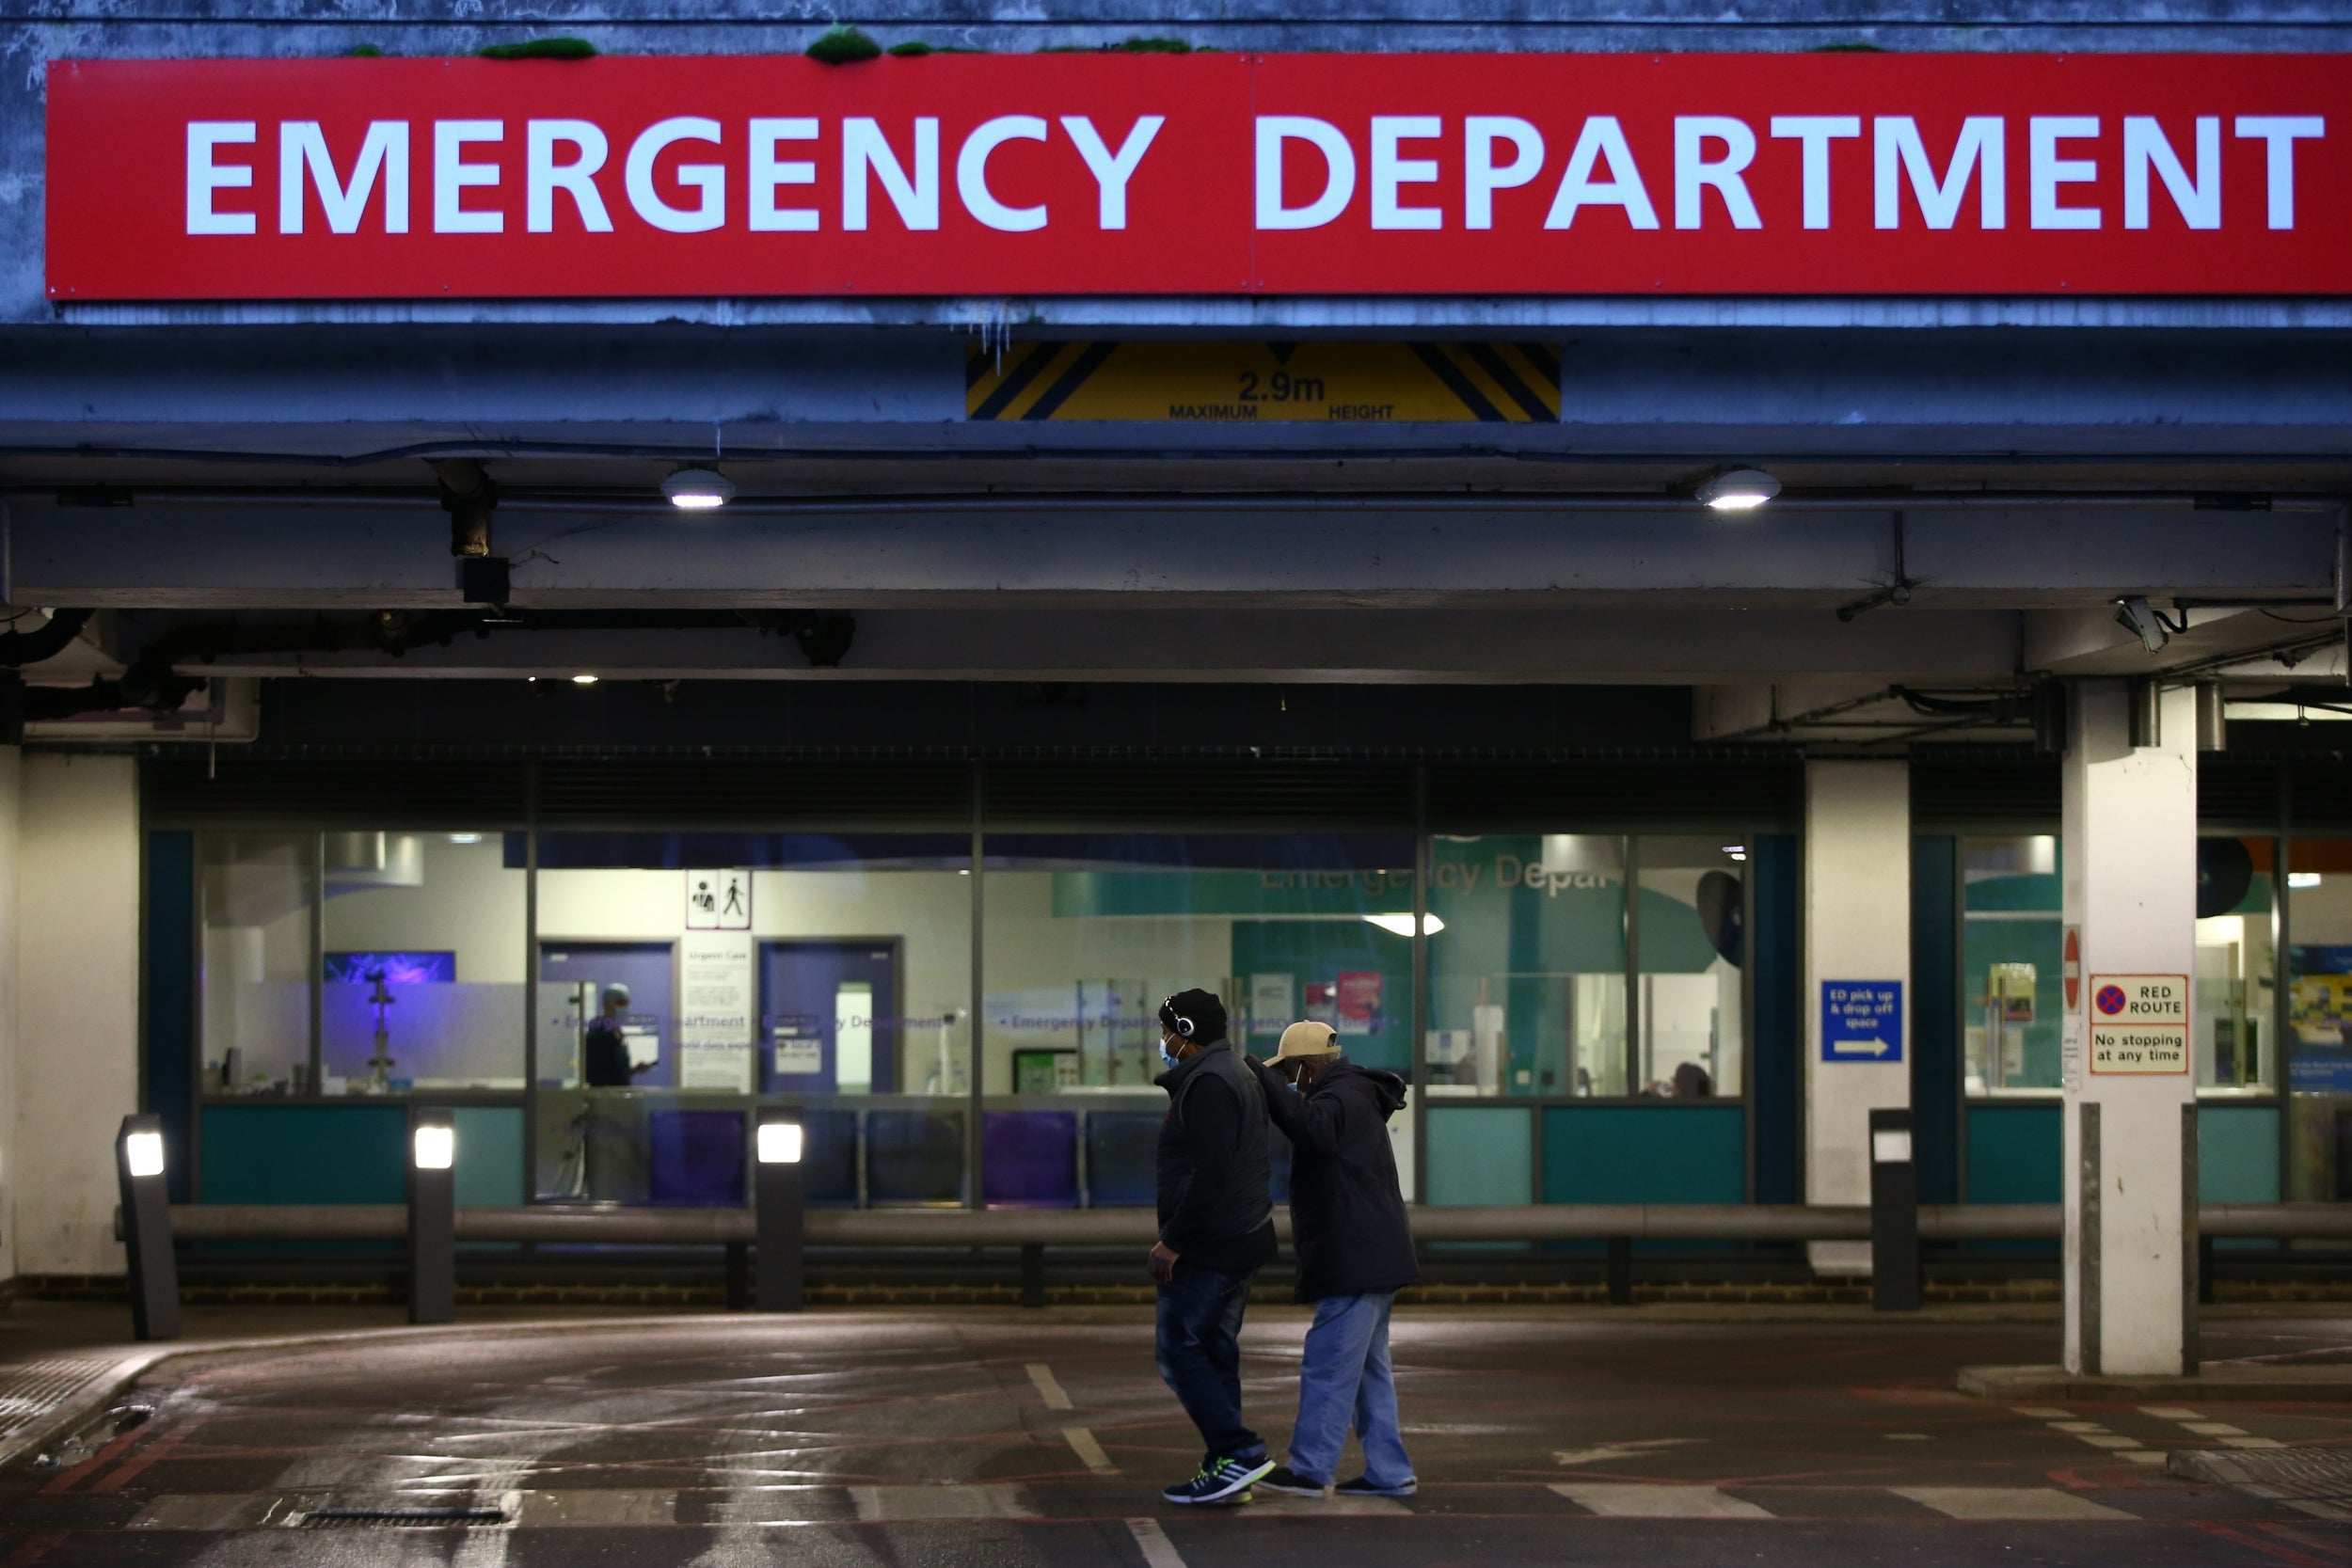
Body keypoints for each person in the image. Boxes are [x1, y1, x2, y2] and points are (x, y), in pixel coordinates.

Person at [1247, 1020, 1421, 1500]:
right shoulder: (1355, 1094)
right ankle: (1389, 1471)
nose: (1288, 1082)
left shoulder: (1338, 1098)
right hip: (1373, 1256)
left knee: (1327, 1365)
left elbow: (1311, 1130)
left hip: (1356, 1258)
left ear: (1307, 1067)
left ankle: (1310, 1467)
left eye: (1289, 1073)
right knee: (1369, 1373)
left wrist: (1260, 1078)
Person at [1150, 988, 1279, 1506]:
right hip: (1239, 1237)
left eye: (1165, 1030)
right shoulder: (1234, 1074)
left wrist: (1173, 1242)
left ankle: (1238, 1451)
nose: (1161, 1041)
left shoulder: (1207, 1084)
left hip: (1212, 1245)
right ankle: (1227, 1466)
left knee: (1178, 1350)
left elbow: (1212, 1172)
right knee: (1215, 1351)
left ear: (1184, 1031)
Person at [582, 983, 655, 1087]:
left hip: (620, 1098)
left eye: (627, 1003)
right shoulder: (597, 1034)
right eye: (621, 1003)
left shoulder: (618, 1033)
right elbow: (597, 1075)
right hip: (605, 1099)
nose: (625, 1007)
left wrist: (635, 1070)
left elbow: (617, 1072)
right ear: (606, 1005)